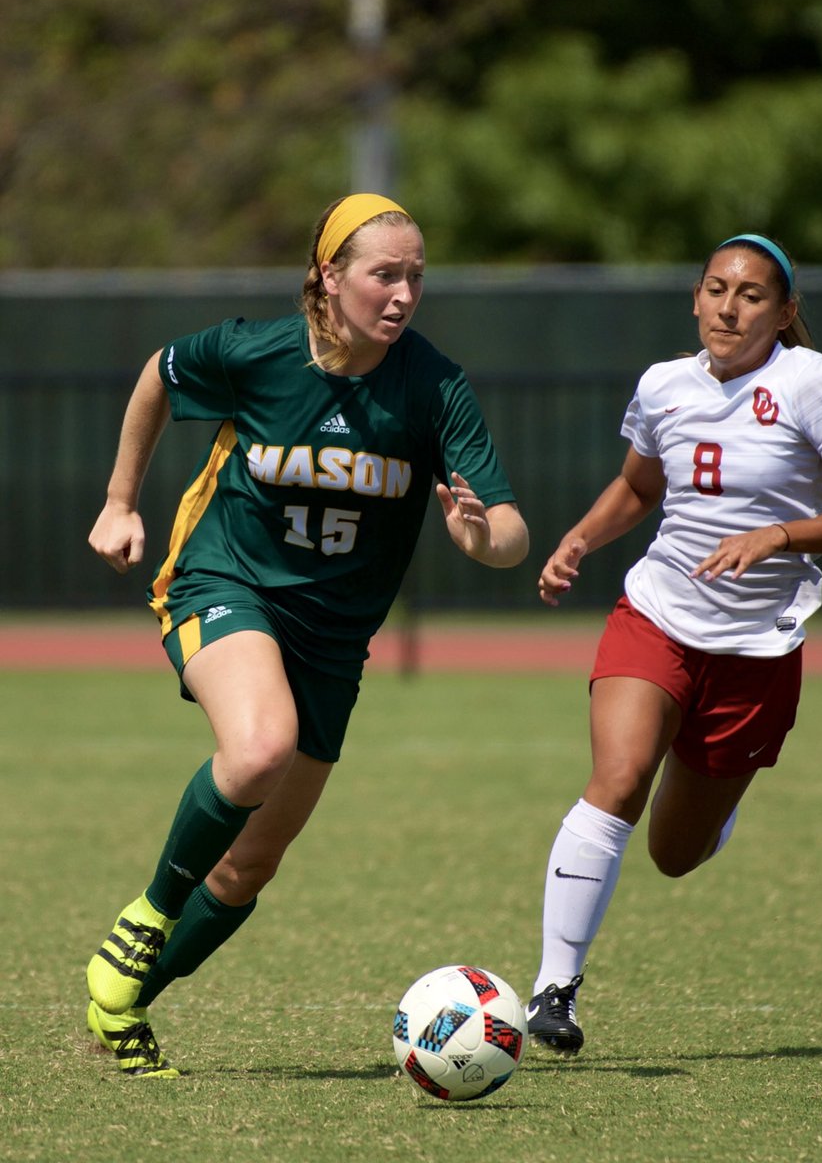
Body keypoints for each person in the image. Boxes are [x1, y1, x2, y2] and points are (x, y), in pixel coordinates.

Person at [84, 193, 529, 1077]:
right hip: (225, 581)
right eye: (383, 274)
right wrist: (119, 501)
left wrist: (480, 533)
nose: (403, 294)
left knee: (252, 864)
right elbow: (156, 380)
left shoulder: (433, 386)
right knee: (259, 750)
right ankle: (143, 919)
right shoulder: (259, 351)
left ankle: (124, 1002)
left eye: (416, 276)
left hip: (334, 641)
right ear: (329, 277)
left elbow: (511, 536)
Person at [525, 233, 822, 1054]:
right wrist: (580, 540)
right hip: (657, 614)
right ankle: (553, 991)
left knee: (674, 852)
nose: (731, 307)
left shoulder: (808, 380)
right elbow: (637, 486)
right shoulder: (664, 385)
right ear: (694, 298)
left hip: (758, 650)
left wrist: (782, 535)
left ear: (785, 311)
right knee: (617, 780)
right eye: (716, 288)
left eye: (753, 294)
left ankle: (711, 813)